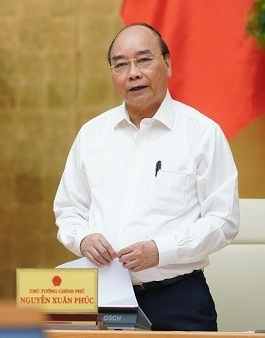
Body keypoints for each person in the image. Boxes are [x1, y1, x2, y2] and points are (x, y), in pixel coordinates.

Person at [53, 22, 239, 331]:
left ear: (167, 64)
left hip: (178, 298)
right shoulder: (92, 135)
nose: (133, 73)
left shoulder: (202, 133)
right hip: (104, 298)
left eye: (144, 59)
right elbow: (68, 209)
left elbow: (224, 220)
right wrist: (83, 237)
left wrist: (161, 250)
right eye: (120, 64)